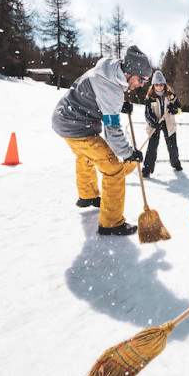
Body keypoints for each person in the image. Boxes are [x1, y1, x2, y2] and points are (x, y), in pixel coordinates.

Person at [52, 45, 152, 236]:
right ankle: (111, 223)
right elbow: (112, 131)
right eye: (141, 79)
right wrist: (129, 153)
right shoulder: (112, 91)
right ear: (130, 73)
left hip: (62, 119)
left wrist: (120, 105)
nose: (142, 85)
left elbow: (97, 96)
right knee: (113, 169)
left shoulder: (107, 70)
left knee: (84, 156)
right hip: (78, 127)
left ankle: (88, 196)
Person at [142, 70, 182, 178]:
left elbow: (179, 109)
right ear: (153, 85)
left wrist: (174, 110)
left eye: (161, 84)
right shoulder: (150, 98)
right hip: (155, 124)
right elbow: (147, 113)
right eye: (156, 84)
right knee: (152, 147)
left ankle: (176, 164)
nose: (159, 87)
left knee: (172, 146)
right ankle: (147, 169)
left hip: (168, 124)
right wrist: (153, 122)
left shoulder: (171, 96)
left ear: (164, 84)